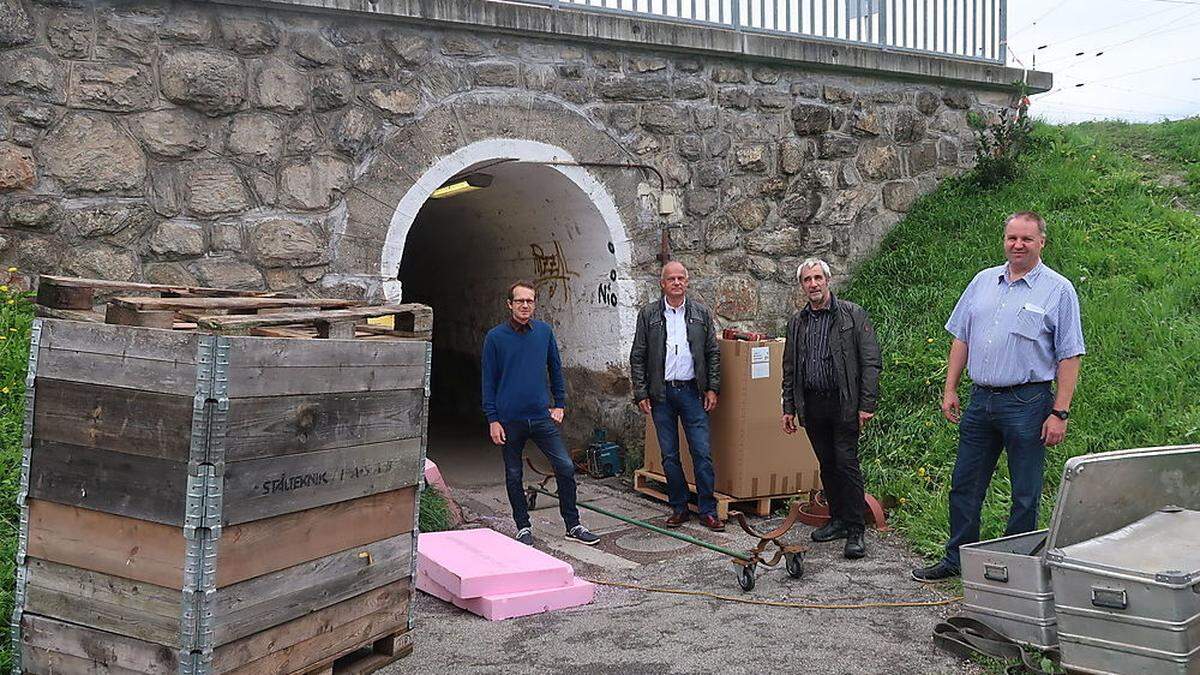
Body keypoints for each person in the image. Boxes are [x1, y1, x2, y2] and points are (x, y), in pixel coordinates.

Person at [913, 211, 1084, 582]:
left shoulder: (1058, 289)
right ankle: (957, 558)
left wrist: (1060, 412)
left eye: (1026, 239)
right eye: (1012, 238)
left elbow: (1069, 354)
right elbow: (962, 337)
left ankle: (1013, 569)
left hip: (1028, 403)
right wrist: (950, 387)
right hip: (981, 401)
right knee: (965, 484)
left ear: (1042, 242)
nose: (1018, 245)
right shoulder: (982, 281)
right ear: (1004, 241)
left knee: (1024, 493)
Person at [482, 281, 600, 547]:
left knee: (565, 466)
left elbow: (556, 370)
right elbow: (488, 381)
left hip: (540, 416)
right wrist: (493, 419)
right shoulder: (495, 337)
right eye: (520, 301)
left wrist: (560, 404)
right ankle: (523, 527)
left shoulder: (544, 332)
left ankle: (573, 524)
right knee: (513, 474)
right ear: (509, 304)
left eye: (530, 301)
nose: (525, 305)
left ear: (535, 304)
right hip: (510, 419)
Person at [781, 258, 882, 559]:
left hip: (844, 403)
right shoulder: (797, 322)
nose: (813, 284)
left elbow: (871, 361)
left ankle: (855, 529)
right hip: (812, 404)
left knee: (845, 462)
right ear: (802, 286)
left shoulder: (852, 315)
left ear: (828, 280)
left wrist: (867, 403)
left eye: (817, 278)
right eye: (807, 280)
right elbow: (790, 368)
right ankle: (837, 520)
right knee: (826, 463)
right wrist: (789, 406)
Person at [629, 261, 725, 531]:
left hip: (693, 392)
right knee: (669, 455)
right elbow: (638, 355)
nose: (676, 282)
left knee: (702, 452)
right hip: (661, 394)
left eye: (681, 278)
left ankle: (707, 509)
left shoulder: (700, 313)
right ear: (662, 284)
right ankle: (679, 507)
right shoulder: (649, 314)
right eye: (671, 279)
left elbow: (712, 354)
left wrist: (712, 388)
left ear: (687, 281)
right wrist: (641, 392)